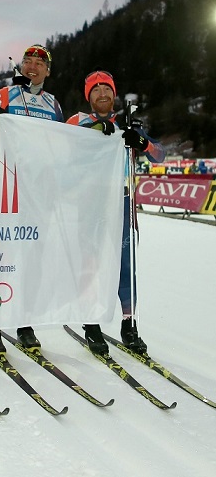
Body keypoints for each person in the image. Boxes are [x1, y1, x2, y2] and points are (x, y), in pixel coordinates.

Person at [66, 70, 165, 355]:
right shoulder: (77, 121)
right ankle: (91, 322)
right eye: (95, 90)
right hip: (90, 201)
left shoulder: (127, 123)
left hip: (121, 200)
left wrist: (141, 142)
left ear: (114, 94)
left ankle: (128, 324)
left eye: (106, 89)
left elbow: (159, 154)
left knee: (125, 265)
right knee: (92, 263)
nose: (102, 94)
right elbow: (58, 149)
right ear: (88, 96)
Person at [0, 44, 64, 358]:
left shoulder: (53, 104)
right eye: (27, 62)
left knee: (31, 260)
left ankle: (24, 323)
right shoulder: (5, 94)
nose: (32, 68)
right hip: (6, 188)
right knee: (0, 256)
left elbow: (59, 143)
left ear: (47, 70)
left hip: (37, 192)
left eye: (39, 63)